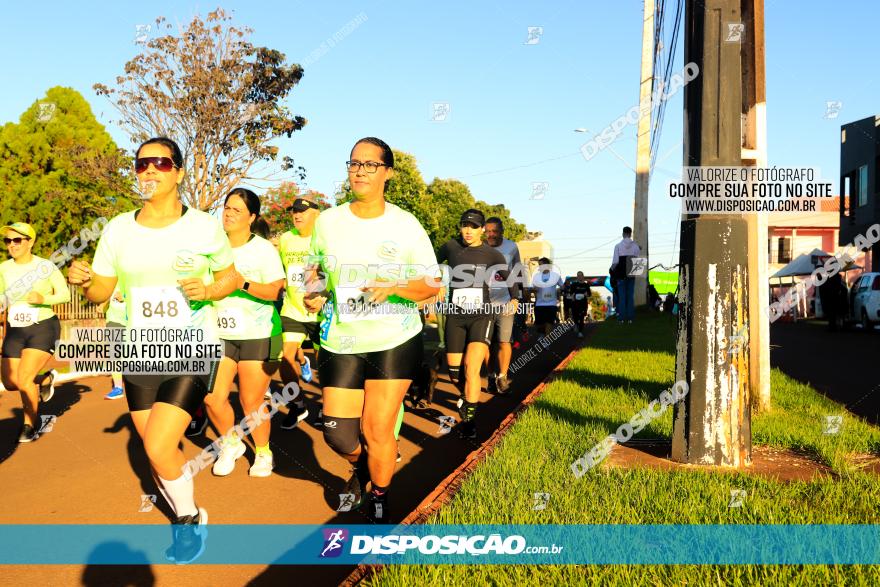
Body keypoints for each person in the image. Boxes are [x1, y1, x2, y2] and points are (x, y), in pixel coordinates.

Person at [68, 137, 239, 563]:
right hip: (139, 349)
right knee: (154, 447)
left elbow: (230, 278)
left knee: (160, 446)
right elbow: (101, 292)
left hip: (192, 344)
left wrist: (210, 288)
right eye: (142, 164)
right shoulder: (118, 229)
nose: (149, 170)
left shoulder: (203, 226)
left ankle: (185, 523)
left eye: (161, 163)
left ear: (179, 172)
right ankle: (190, 509)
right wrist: (84, 280)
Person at [303, 137, 440, 523]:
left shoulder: (405, 224)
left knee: (377, 426)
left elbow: (432, 285)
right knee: (337, 433)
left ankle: (379, 499)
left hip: (394, 339)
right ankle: (366, 467)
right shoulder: (327, 222)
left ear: (387, 173)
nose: (360, 170)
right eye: (354, 163)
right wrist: (313, 293)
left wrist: (395, 286)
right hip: (341, 338)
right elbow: (314, 271)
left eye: (370, 164)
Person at [204, 188, 285, 478]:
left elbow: (276, 289)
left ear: (252, 217)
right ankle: (232, 443)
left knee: (251, 401)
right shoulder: (212, 248)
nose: (228, 213)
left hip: (257, 333)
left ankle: (263, 452)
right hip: (220, 333)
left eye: (237, 210)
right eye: (226, 207)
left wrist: (243, 284)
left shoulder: (262, 249)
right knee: (212, 397)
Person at [438, 209, 514, 439]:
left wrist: (516, 298)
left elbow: (510, 277)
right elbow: (429, 262)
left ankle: (469, 423)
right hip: (456, 316)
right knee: (454, 372)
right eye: (464, 225)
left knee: (472, 368)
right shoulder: (450, 247)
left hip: (482, 315)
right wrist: (436, 283)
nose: (468, 230)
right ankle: (467, 396)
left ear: (482, 230)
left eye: (473, 226)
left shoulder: (491, 254)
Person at [0, 222, 71, 442]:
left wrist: (43, 299)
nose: (12, 244)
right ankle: (45, 379)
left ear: (30, 242)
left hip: (42, 327)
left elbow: (65, 295)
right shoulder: (3, 268)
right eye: (8, 241)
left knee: (23, 380)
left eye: (17, 240)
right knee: (11, 382)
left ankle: (30, 424)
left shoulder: (46, 267)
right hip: (15, 329)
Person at [277, 193, 323, 430]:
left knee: (325, 364)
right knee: (285, 357)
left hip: (321, 312)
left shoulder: (325, 239)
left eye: (302, 211)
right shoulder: (285, 238)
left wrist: (323, 296)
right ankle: (297, 404)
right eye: (294, 211)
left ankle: (329, 406)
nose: (297, 215)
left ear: (316, 215)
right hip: (293, 309)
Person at [483, 217, 522, 394]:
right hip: (483, 303)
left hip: (506, 300)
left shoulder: (511, 247)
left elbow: (517, 271)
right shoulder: (479, 247)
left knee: (504, 341)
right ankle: (491, 375)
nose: (491, 235)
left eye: (495, 231)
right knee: (486, 343)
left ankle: (502, 376)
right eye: (488, 231)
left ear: (502, 231)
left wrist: (518, 296)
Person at [610, 226, 641, 323]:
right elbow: (638, 261)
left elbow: (615, 261)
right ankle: (630, 318)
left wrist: (611, 270)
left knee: (622, 296)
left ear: (623, 234)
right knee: (630, 296)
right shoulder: (635, 246)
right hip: (631, 273)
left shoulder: (618, 246)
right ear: (630, 234)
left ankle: (622, 319)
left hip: (620, 274)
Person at [103, 287, 127, 399]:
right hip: (113, 321)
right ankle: (118, 388)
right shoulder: (111, 280)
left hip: (131, 321)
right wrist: (104, 303)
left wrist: (125, 298)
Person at [532, 257, 561, 336]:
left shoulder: (555, 276)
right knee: (540, 324)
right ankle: (542, 333)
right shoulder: (536, 277)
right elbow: (534, 289)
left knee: (549, 322)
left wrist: (559, 290)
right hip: (540, 304)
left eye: (541, 265)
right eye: (539, 265)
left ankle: (546, 341)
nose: (539, 267)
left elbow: (562, 286)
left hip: (551, 304)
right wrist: (533, 290)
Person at [569, 271, 592, 338]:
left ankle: (580, 332)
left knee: (582, 317)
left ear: (583, 276)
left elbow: (589, 294)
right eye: (578, 275)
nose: (579, 277)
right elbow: (571, 293)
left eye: (580, 275)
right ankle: (576, 324)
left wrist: (586, 294)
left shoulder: (586, 285)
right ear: (577, 277)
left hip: (583, 303)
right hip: (575, 303)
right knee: (575, 316)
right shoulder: (574, 284)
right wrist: (573, 296)